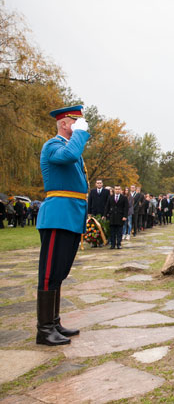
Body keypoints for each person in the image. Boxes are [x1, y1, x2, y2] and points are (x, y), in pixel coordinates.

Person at [36, 104, 90, 346]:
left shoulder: (70, 147)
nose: (79, 126)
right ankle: (44, 329)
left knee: (59, 272)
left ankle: (54, 322)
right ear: (64, 124)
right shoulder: (53, 145)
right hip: (58, 216)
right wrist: (81, 134)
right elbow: (68, 156)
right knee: (49, 273)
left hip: (70, 216)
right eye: (75, 122)